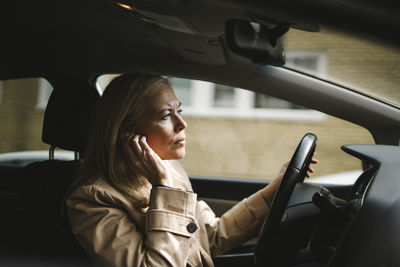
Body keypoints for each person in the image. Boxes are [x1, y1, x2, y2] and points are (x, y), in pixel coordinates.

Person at [65, 72, 317, 267]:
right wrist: (164, 189)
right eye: (165, 115)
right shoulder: (91, 199)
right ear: (127, 133)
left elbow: (210, 237)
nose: (182, 124)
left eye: (179, 110)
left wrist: (274, 189)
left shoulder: (168, 169)